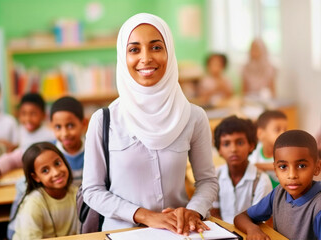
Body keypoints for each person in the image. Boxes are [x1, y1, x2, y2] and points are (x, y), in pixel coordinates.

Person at [82, 13, 218, 236]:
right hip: (122, 233)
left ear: (169, 52)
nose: (145, 58)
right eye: (134, 50)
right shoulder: (103, 120)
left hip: (179, 232)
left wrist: (194, 211)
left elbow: (207, 181)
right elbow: (92, 191)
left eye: (156, 47)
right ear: (122, 57)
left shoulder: (194, 116)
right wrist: (146, 216)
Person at [234, 130, 321, 240]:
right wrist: (253, 230)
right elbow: (241, 217)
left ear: (317, 168)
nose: (292, 175)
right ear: (275, 170)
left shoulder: (318, 206)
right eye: (283, 167)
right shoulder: (278, 193)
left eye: (301, 166)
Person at [210, 116, 272, 224]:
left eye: (239, 143)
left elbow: (261, 221)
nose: (233, 149)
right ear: (219, 149)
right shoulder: (216, 175)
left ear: (251, 146)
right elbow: (214, 212)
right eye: (226, 144)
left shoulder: (261, 181)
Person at [11, 142, 78, 239]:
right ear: (36, 177)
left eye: (57, 163)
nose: (56, 173)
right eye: (45, 170)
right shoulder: (34, 204)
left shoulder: (76, 194)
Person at [0, 92, 54, 187]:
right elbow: (18, 153)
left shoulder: (50, 135)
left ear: (43, 115)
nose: (28, 118)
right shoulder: (21, 130)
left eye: (33, 114)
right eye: (23, 113)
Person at [249, 110, 288, 187]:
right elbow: (250, 167)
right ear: (260, 133)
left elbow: (285, 165)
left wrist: (259, 166)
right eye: (277, 130)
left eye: (285, 130)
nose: (282, 133)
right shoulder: (255, 150)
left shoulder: (286, 150)